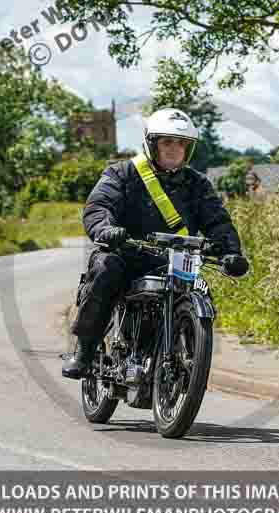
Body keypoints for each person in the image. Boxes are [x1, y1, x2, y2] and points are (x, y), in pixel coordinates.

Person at [63, 108, 250, 379]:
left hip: (173, 261)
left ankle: (183, 354)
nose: (175, 149)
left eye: (181, 143)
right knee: (105, 267)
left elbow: (218, 221)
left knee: (200, 290)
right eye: (167, 142)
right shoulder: (123, 173)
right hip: (127, 254)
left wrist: (231, 252)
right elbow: (99, 205)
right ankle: (85, 350)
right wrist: (105, 229)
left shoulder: (198, 185)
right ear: (152, 144)